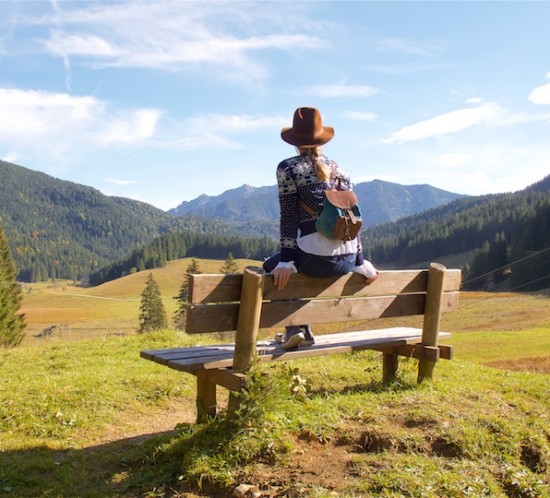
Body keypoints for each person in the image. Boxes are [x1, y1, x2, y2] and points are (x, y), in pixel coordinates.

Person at [263, 107, 378, 350]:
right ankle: (303, 330)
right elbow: (351, 217)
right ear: (321, 139)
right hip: (346, 259)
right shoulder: (341, 171)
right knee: (296, 264)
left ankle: (295, 328)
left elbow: (289, 216)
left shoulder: (289, 168)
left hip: (315, 259)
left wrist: (285, 261)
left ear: (295, 142)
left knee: (270, 267)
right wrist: (360, 261)